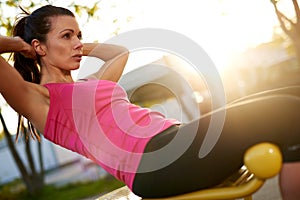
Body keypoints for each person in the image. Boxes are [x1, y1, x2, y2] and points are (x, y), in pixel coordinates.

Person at [0, 5, 300, 199]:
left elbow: (117, 52)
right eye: (66, 36)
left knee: (293, 93)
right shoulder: (40, 100)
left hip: (174, 140)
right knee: (289, 112)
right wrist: (19, 45)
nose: (78, 42)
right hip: (152, 163)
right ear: (38, 46)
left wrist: (74, 44)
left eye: (79, 34)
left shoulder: (91, 84)